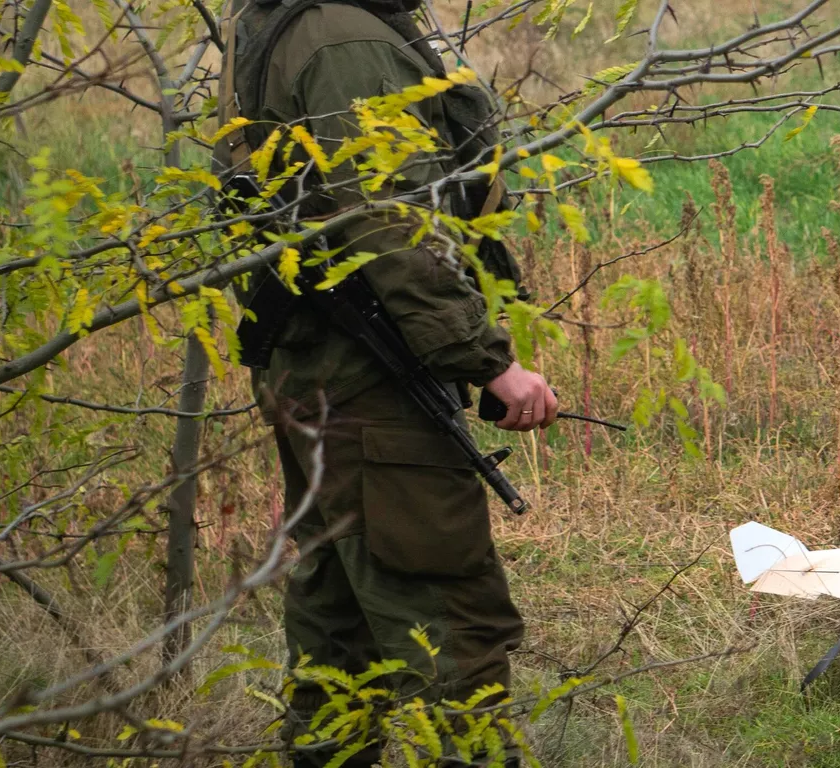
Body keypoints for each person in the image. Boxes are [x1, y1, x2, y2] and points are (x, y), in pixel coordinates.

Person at [216, 0, 551, 764]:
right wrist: (489, 361)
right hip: (365, 376)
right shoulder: (345, 39)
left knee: (339, 619)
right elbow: (396, 216)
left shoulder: (302, 21)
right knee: (450, 625)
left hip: (323, 369)